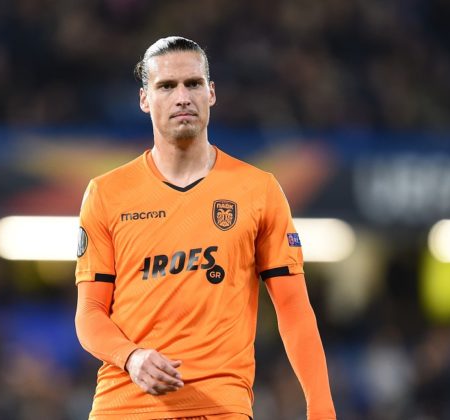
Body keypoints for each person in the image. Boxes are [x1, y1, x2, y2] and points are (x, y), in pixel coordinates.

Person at [75, 36, 336, 420]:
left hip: (218, 409)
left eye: (193, 84)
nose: (182, 97)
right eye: (167, 86)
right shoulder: (106, 194)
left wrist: (322, 409)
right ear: (145, 99)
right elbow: (90, 314)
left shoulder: (258, 190)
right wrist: (132, 357)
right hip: (124, 406)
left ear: (211, 93)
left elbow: (294, 309)